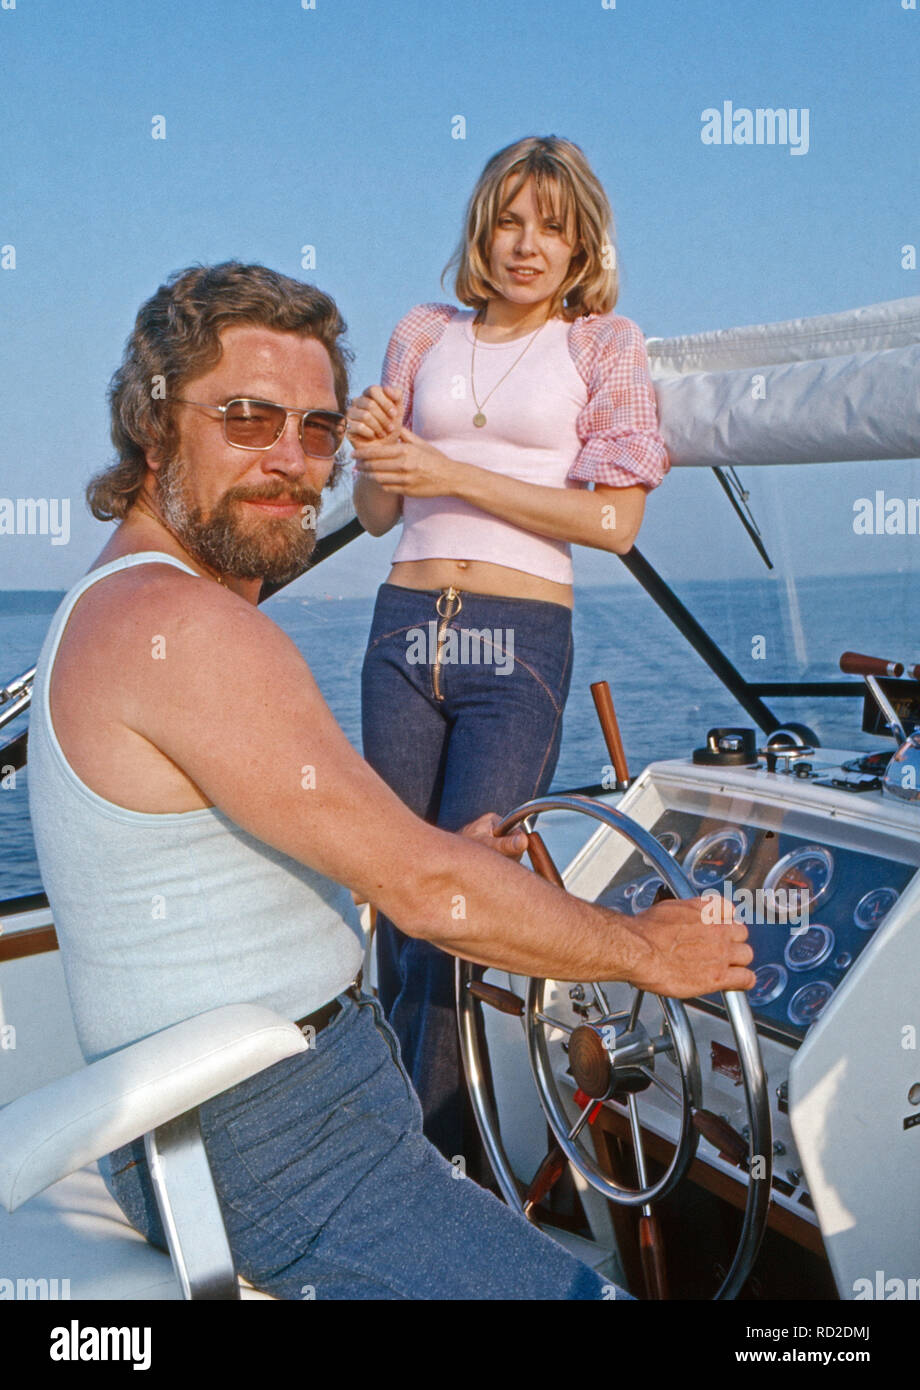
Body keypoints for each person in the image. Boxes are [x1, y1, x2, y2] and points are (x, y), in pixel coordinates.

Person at [27, 261, 752, 1300]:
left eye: (318, 430)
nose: (291, 461)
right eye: (246, 418)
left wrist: (444, 859)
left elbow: (347, 858)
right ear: (153, 427)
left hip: (216, 1127)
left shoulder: (118, 601)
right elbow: (428, 896)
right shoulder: (186, 628)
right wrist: (650, 949)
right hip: (279, 1150)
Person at [349, 136, 669, 1163]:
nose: (526, 245)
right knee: (397, 911)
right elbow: (373, 515)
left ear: (580, 247)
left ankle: (447, 1169)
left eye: (552, 226)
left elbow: (614, 521)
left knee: (461, 911)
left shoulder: (603, 345)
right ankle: (399, 1153)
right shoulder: (420, 331)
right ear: (480, 229)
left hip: (517, 642)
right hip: (402, 632)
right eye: (508, 220)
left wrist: (449, 466)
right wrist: (374, 458)